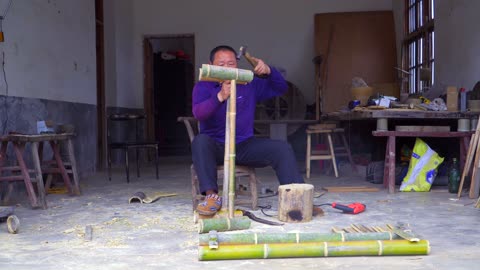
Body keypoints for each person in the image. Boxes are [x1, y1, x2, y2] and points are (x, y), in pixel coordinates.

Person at [191, 45, 304, 215]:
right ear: (211, 65)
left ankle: (297, 198)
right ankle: (211, 197)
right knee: (200, 141)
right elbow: (199, 113)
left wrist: (269, 71)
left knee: (281, 148)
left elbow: (281, 88)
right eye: (221, 64)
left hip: (243, 145)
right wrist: (220, 96)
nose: (226, 68)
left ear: (237, 64)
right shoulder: (203, 86)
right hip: (216, 146)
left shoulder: (248, 82)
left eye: (231, 63)